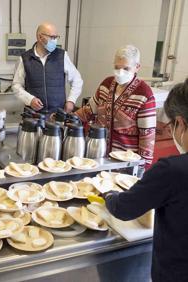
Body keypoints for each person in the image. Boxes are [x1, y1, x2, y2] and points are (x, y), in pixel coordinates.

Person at [97, 78, 188, 282]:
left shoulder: (172, 170)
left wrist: (109, 194)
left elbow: (124, 208)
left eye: (171, 124)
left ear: (180, 123)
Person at [75, 45, 156, 169]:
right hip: (99, 155)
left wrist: (142, 167)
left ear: (137, 67)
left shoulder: (144, 94)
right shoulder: (106, 85)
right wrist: (69, 118)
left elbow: (147, 136)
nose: (120, 72)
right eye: (117, 68)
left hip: (125, 162)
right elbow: (88, 110)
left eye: (126, 68)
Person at [12, 22, 83, 114]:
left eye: (56, 37)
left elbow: (77, 80)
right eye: (52, 37)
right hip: (33, 116)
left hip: (58, 115)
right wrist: (30, 100)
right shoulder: (25, 59)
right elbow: (16, 85)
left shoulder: (62, 56)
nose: (55, 41)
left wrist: (71, 100)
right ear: (40, 37)